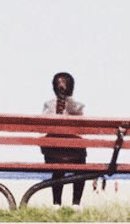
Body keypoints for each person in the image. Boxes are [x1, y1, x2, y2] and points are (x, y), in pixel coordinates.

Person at [40, 71, 87, 207]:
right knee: (80, 169)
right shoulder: (78, 107)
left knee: (57, 170)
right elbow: (82, 130)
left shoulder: (48, 105)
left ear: (54, 88)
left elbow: (42, 128)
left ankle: (56, 204)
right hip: (75, 155)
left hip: (52, 155)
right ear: (72, 88)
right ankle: (76, 204)